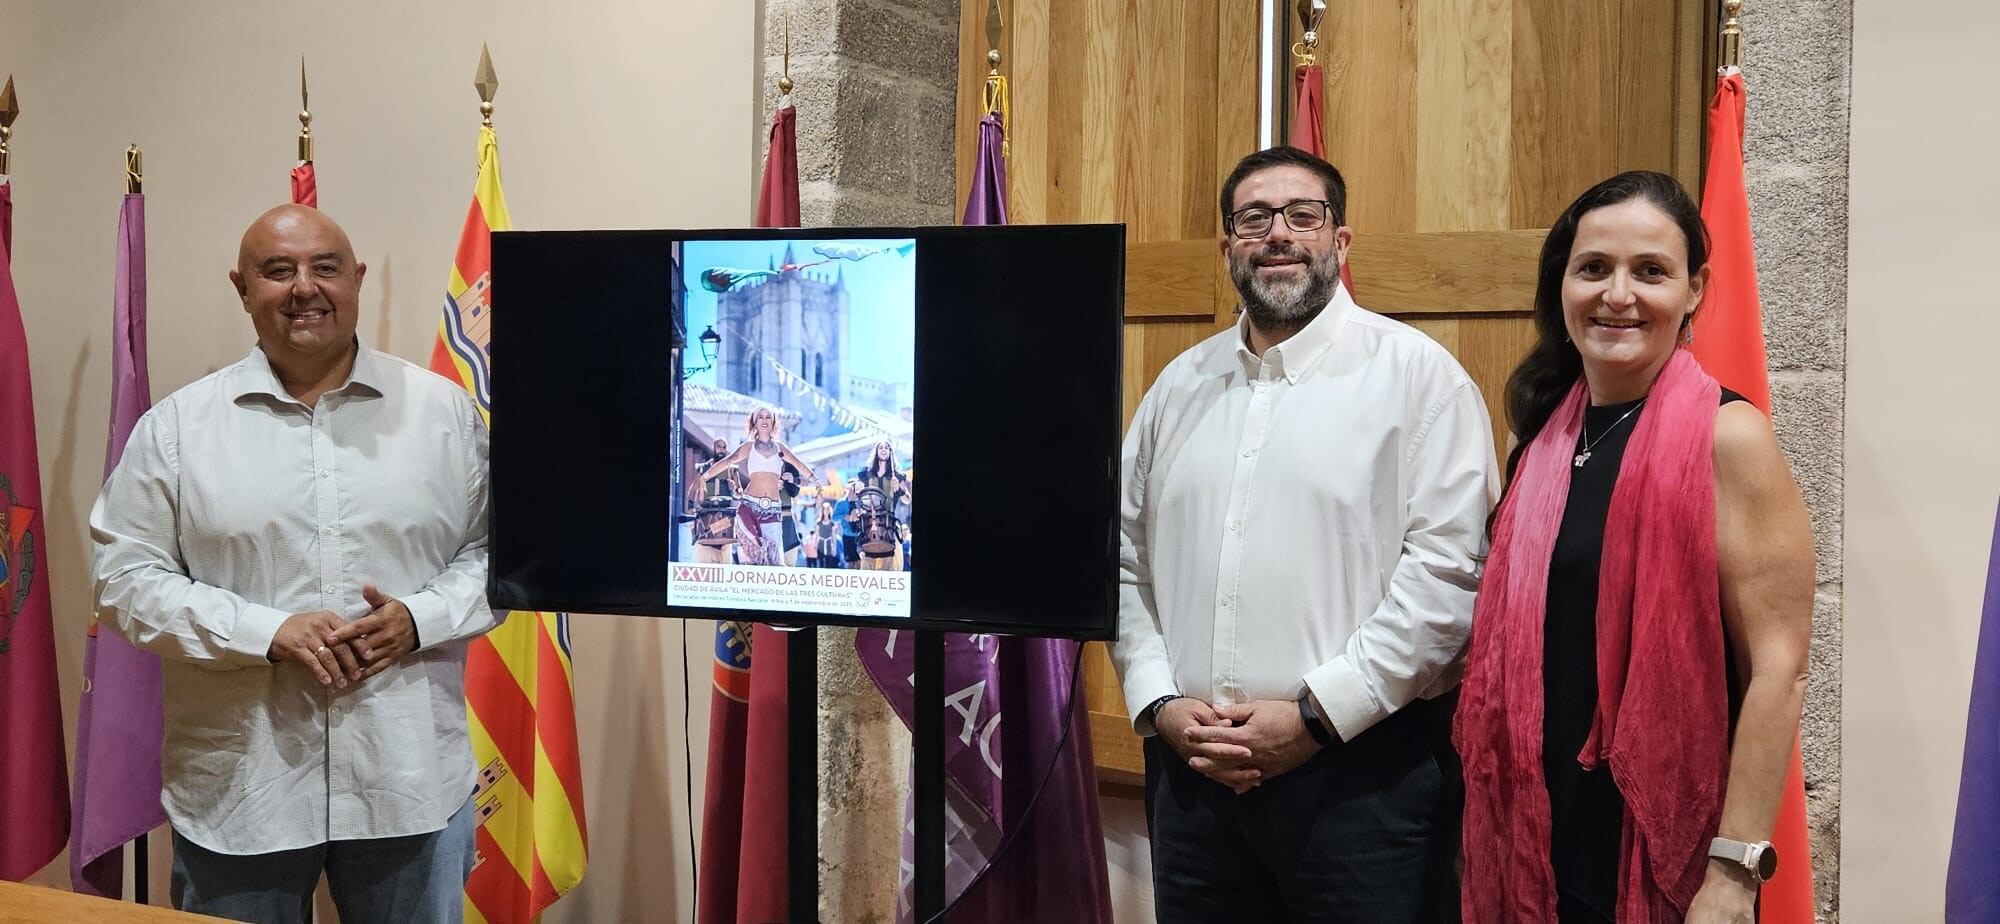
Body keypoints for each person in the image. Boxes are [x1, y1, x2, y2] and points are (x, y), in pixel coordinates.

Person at [1110, 146, 1498, 922]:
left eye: (1302, 216)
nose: (1278, 233)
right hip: (1194, 782)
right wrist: (1158, 703)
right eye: (1254, 218)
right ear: (1228, 249)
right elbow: (1123, 562)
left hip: (1363, 786)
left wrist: (1316, 718)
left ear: (1340, 241)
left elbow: (1449, 576)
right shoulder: (1176, 390)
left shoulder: (1419, 378)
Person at [90, 204, 495, 923]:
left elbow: (498, 555)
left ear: (357, 279)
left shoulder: (444, 416)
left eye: (325, 267)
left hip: (408, 785)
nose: (304, 287)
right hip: (242, 793)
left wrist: (417, 618)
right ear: (242, 287)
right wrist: (263, 632)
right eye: (278, 271)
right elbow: (123, 581)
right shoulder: (179, 431)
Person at [1453, 170, 1813, 923]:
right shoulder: (1540, 430)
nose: (1618, 295)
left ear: (1695, 290)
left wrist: (1734, 872)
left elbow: (1779, 667)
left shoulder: (1729, 437)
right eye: (1595, 269)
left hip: (1661, 851)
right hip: (1530, 828)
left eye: (1650, 271)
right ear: (1563, 284)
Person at [702, 406, 817, 566]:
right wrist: (704, 476)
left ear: (773, 422)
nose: (764, 420)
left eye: (768, 417)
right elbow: (728, 461)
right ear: (755, 422)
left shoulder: (780, 448)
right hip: (750, 507)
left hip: (773, 509)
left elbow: (799, 463)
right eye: (760, 417)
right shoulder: (748, 447)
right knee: (751, 561)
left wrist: (815, 481)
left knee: (775, 561)